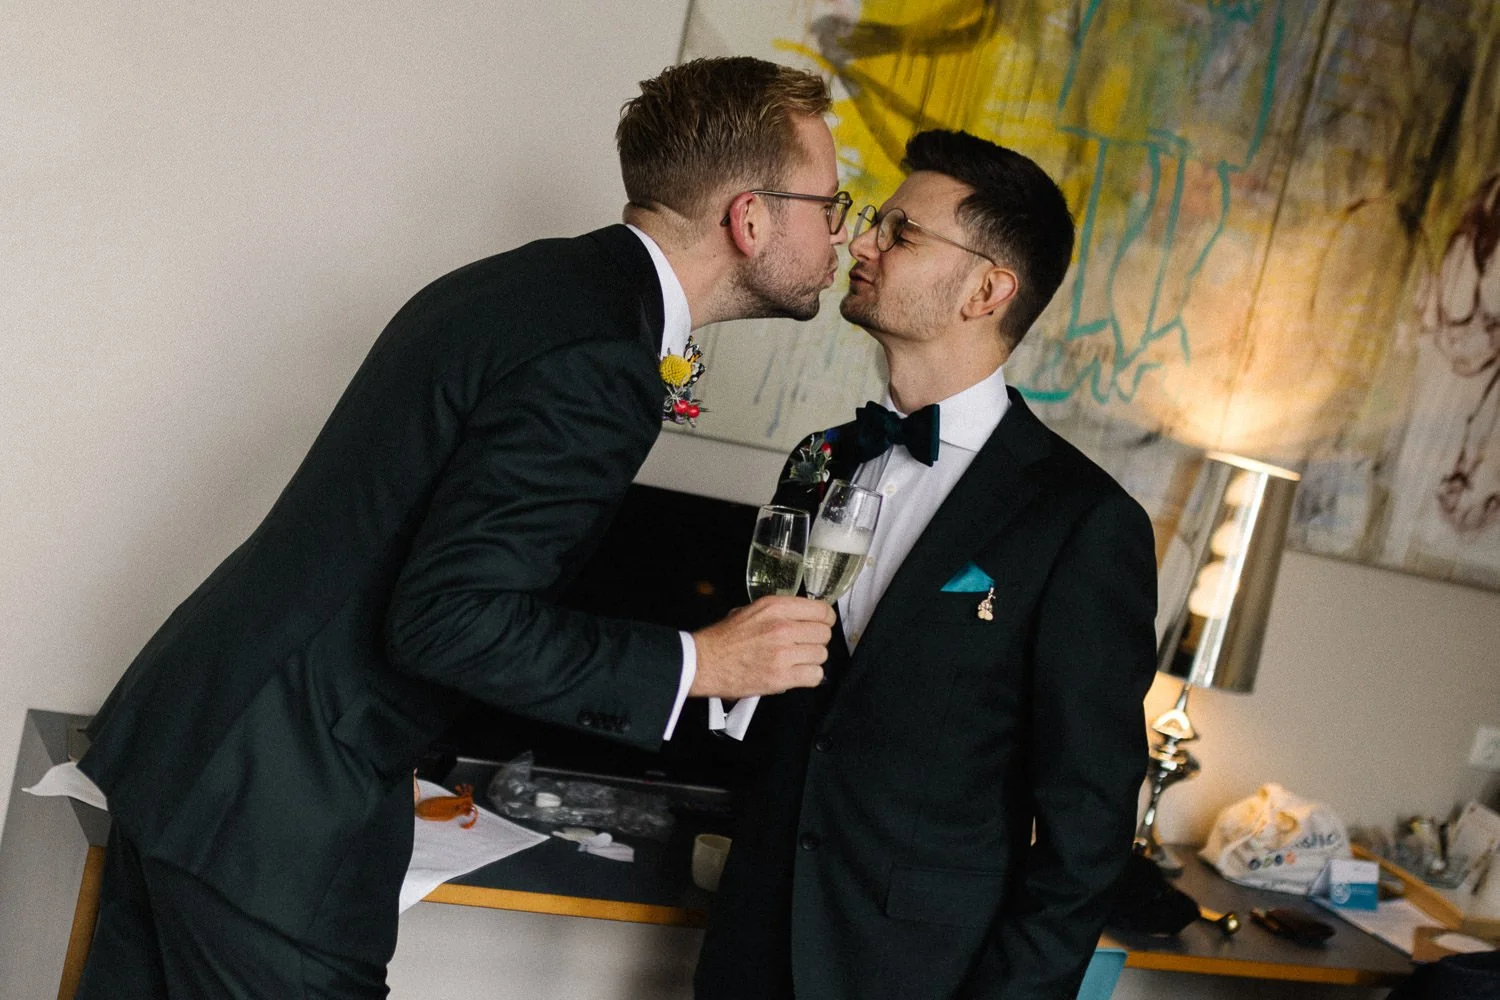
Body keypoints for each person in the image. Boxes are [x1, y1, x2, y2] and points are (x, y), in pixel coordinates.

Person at [74, 56, 847, 998]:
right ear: (751, 217)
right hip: (278, 809)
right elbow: (449, 619)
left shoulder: (536, 283)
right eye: (831, 205)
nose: (841, 234)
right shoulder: (600, 359)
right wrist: (704, 664)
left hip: (202, 743)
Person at [694, 130, 1159, 1000]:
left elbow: (1086, 833)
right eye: (874, 223)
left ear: (987, 289)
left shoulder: (1084, 524)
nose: (860, 243)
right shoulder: (820, 460)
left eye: (900, 232)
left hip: (917, 977)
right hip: (748, 951)